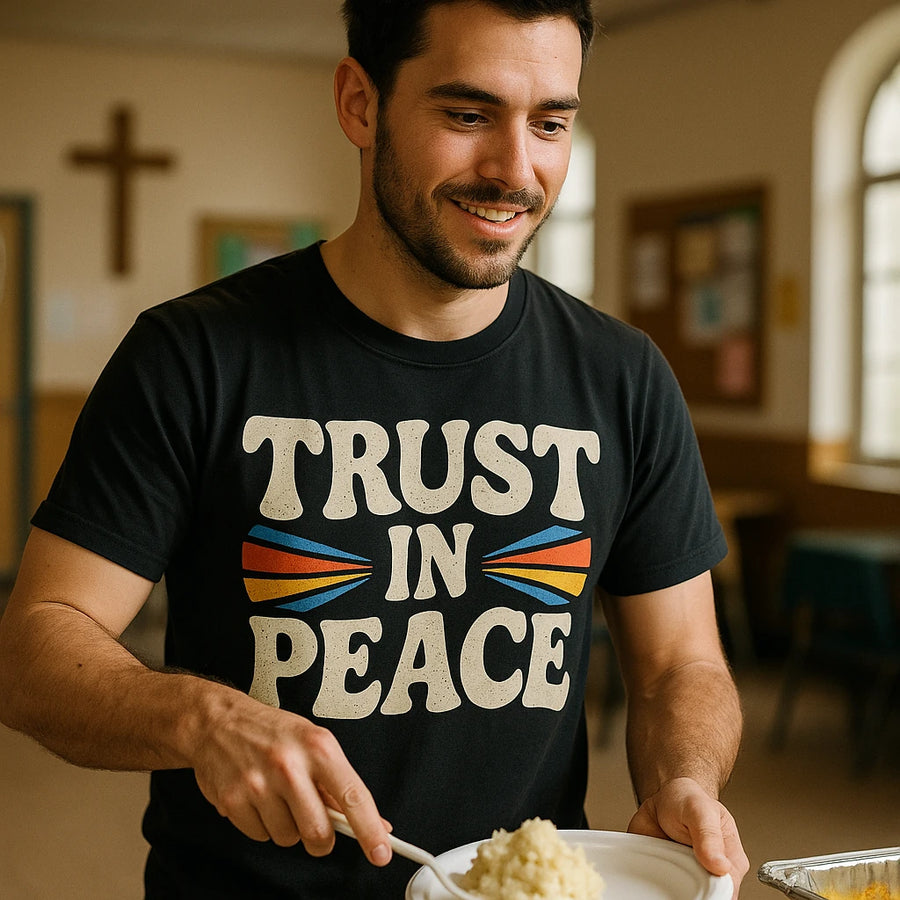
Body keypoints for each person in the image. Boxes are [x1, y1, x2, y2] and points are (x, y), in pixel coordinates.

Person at [0, 0, 750, 897]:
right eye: (467, 114)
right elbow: (35, 650)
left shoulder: (622, 376)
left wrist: (684, 779)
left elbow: (681, 665)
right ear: (360, 103)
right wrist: (199, 717)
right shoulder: (193, 356)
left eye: (550, 123)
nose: (517, 170)